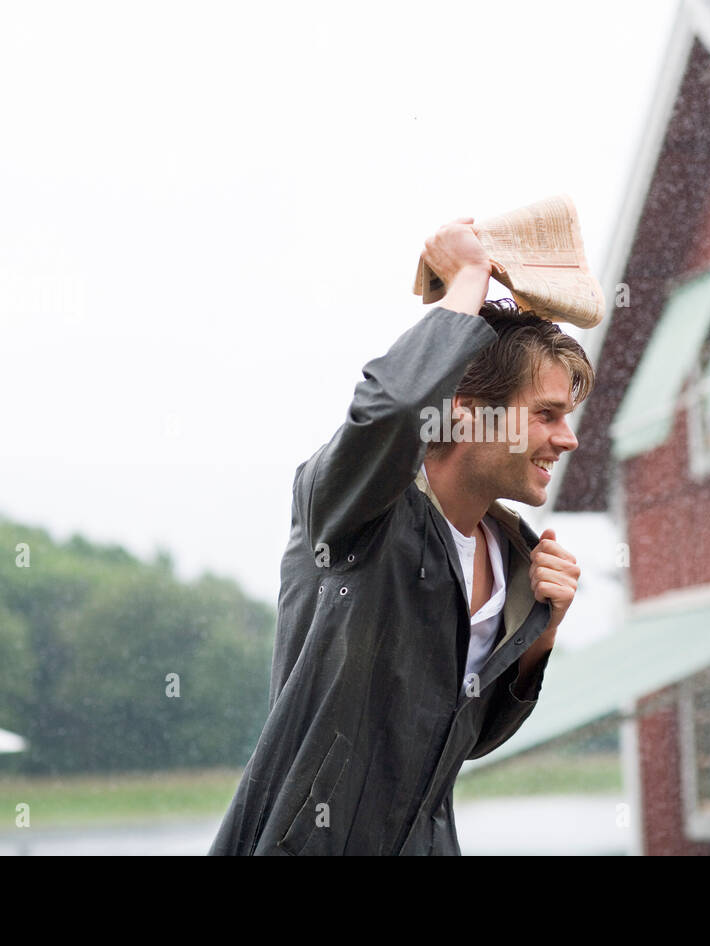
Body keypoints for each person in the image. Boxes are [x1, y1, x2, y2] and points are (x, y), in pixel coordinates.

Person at [208, 217, 593, 855]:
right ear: (465, 411)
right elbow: (389, 409)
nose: (567, 438)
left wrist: (539, 636)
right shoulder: (354, 514)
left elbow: (465, 741)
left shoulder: (517, 564)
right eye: (545, 414)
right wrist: (467, 283)